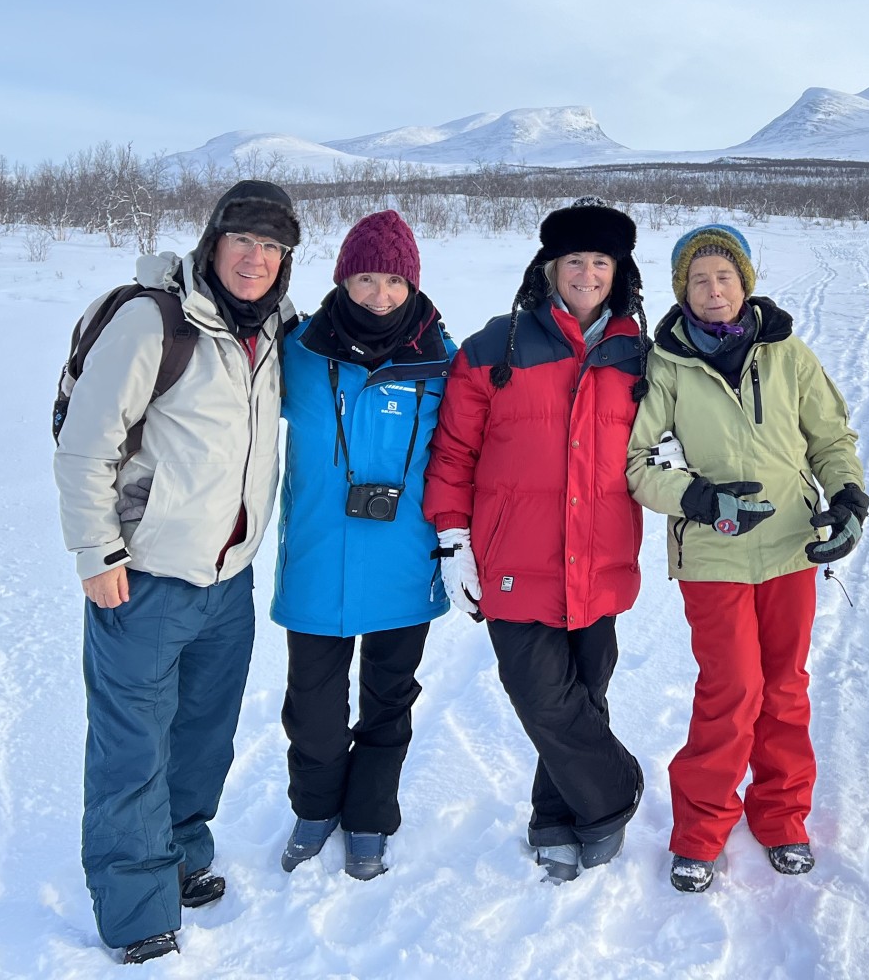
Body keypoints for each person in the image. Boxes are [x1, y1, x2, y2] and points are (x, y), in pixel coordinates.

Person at [55, 180, 299, 964]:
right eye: (244, 241)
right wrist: (96, 554)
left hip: (229, 579)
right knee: (133, 745)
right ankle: (136, 910)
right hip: (145, 576)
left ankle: (183, 853)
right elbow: (86, 445)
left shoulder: (272, 333)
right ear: (213, 242)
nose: (256, 259)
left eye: (273, 247)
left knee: (203, 736)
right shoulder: (154, 320)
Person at [625, 223, 869, 893]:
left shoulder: (788, 353)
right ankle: (700, 832)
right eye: (699, 280)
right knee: (731, 693)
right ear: (683, 291)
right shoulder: (665, 365)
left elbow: (831, 438)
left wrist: (848, 498)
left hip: (791, 546)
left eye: (724, 277)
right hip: (715, 553)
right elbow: (639, 465)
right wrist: (701, 500)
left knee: (785, 689)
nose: (713, 290)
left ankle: (783, 816)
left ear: (745, 283)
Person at [423, 199, 649, 884]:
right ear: (549, 268)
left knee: (586, 693)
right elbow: (454, 451)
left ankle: (558, 818)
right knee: (541, 695)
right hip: (514, 559)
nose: (586, 273)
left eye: (600, 262)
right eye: (574, 260)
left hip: (602, 557)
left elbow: (673, 436)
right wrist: (453, 540)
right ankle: (613, 795)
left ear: (619, 272)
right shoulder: (497, 346)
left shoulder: (640, 355)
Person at [270, 210, 456, 881]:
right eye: (365, 279)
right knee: (313, 709)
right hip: (318, 560)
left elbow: (467, 453)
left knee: (388, 702)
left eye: (394, 282)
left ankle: (371, 815)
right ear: (343, 280)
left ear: (413, 285)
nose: (379, 295)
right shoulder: (299, 353)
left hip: (404, 565)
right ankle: (315, 806)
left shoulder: (442, 362)